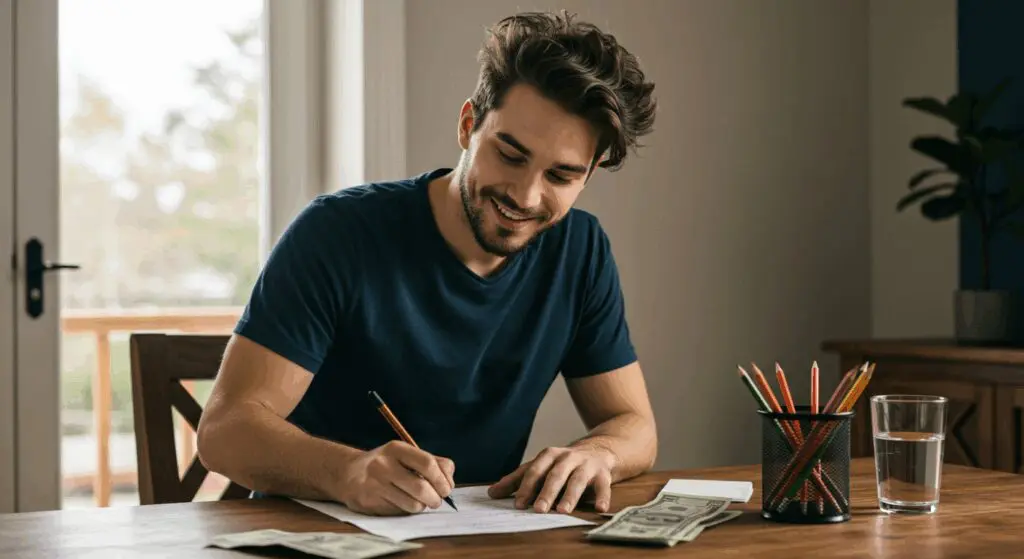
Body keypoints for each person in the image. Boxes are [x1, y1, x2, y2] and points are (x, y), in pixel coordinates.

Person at [196, 10, 658, 518]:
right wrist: (347, 472)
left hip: (473, 538)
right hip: (317, 535)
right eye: (510, 155)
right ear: (468, 125)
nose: (526, 195)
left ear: (588, 175)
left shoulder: (581, 251)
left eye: (561, 176)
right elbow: (225, 432)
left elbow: (634, 425)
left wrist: (598, 453)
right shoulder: (337, 233)